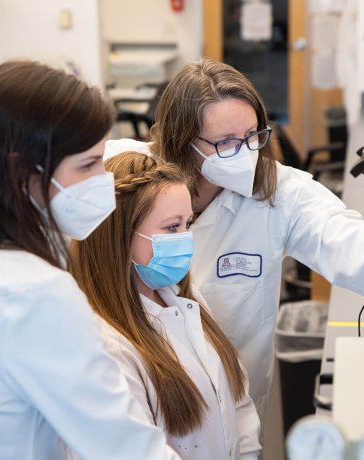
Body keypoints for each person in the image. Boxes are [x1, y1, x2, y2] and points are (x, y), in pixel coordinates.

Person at [104, 59, 364, 418]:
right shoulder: (123, 177)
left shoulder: (277, 192)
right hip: (132, 387)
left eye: (253, 136)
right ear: (182, 141)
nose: (248, 153)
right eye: (227, 143)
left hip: (228, 401)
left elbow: (349, 240)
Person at [0, 61, 179, 460]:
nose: (102, 182)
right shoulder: (30, 293)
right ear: (22, 171)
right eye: (87, 165)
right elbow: (127, 450)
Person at [69, 152, 261, 460]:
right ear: (119, 236)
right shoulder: (104, 347)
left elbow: (236, 403)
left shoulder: (184, 296)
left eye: (188, 223)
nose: (186, 239)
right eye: (172, 228)